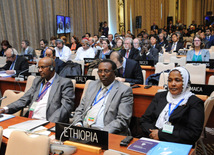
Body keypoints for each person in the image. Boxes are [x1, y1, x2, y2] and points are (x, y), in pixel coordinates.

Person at [140, 67, 204, 146]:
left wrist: (160, 135)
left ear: (185, 83)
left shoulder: (194, 102)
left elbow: (193, 134)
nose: (172, 84)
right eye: (170, 80)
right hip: (152, 138)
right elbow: (145, 120)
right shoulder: (160, 96)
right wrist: (152, 134)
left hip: (177, 143)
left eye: (177, 80)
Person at [0, 57, 75, 123]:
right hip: (30, 121)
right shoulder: (37, 81)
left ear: (52, 68)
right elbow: (24, 99)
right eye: (38, 67)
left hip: (49, 122)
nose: (39, 70)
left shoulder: (64, 83)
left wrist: (49, 123)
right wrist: (5, 109)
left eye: (42, 67)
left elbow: (65, 108)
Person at [73, 59, 133, 135]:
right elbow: (80, 109)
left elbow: (123, 119)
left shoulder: (124, 90)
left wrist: (102, 133)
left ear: (114, 72)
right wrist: (78, 124)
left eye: (106, 71)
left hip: (106, 133)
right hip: (84, 131)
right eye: (100, 71)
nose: (102, 74)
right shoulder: (92, 85)